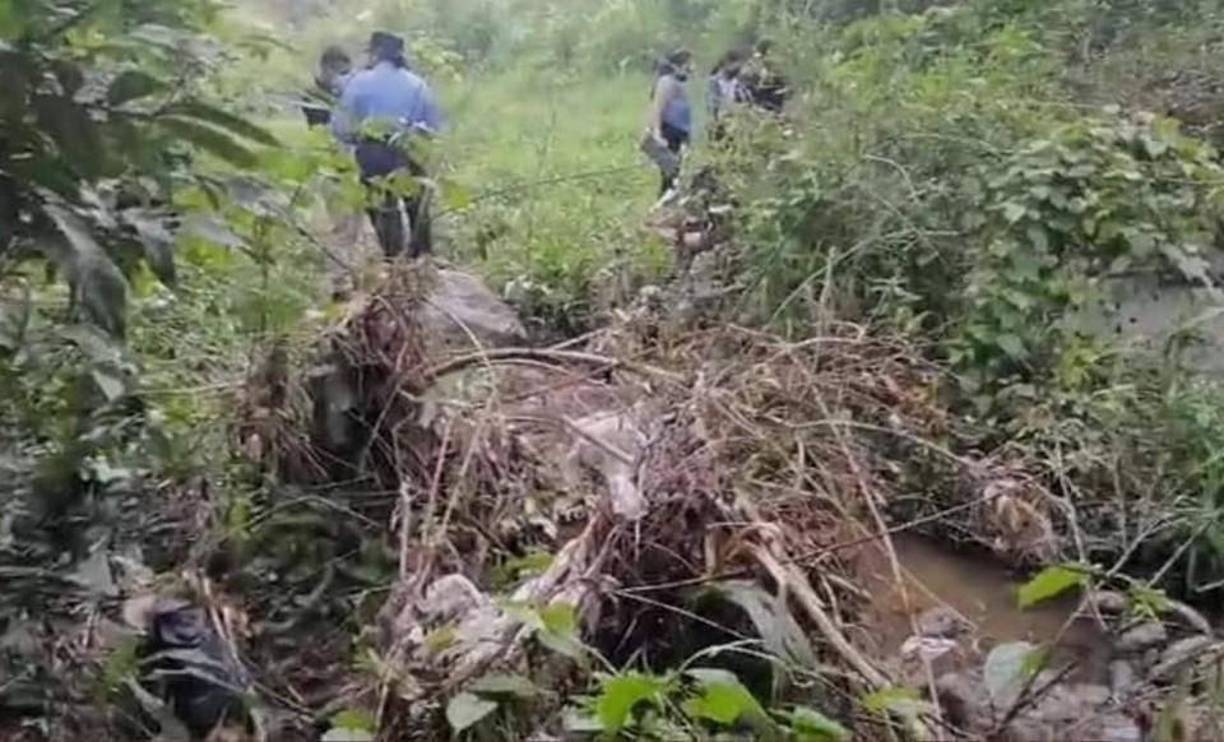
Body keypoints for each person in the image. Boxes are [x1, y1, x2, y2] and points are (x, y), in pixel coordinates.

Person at [332, 31, 444, 259]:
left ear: (375, 54)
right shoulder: (418, 84)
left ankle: (393, 259)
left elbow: (341, 126)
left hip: (372, 151)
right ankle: (422, 257)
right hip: (411, 148)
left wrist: (354, 140)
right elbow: (434, 125)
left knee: (382, 208)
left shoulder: (359, 82)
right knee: (416, 206)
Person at [647, 49, 694, 197]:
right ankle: (663, 204)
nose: (691, 67)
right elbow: (658, 109)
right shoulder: (666, 82)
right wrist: (657, 134)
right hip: (669, 133)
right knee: (670, 177)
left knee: (677, 175)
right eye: (689, 64)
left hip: (680, 133)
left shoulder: (681, 83)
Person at [303, 46, 352, 127]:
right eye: (341, 73)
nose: (343, 78)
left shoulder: (346, 93)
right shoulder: (312, 96)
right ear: (324, 67)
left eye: (346, 73)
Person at [707, 48, 749, 141]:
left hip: (735, 124)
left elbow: (746, 102)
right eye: (737, 65)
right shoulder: (713, 82)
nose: (739, 69)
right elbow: (711, 105)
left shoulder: (739, 83)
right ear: (727, 63)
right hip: (719, 124)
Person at [744, 40, 790, 114]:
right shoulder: (756, 67)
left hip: (771, 103)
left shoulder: (776, 69)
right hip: (762, 103)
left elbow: (786, 87)